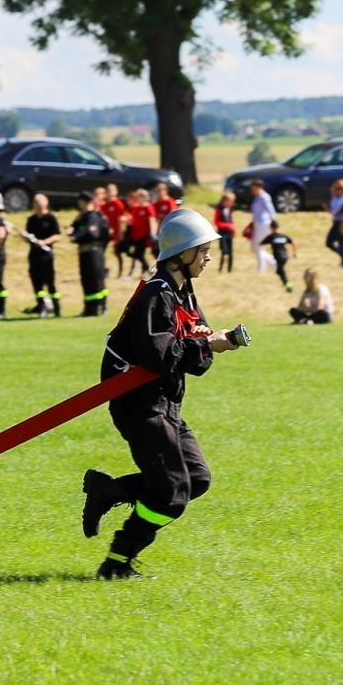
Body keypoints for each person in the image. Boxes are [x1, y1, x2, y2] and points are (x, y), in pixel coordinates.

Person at [80, 207, 241, 579]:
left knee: (196, 479)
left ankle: (111, 492)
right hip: (140, 406)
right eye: (202, 251)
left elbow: (196, 363)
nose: (208, 258)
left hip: (165, 404)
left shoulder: (184, 294)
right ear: (181, 254)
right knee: (172, 492)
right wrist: (207, 345)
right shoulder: (157, 295)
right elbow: (158, 356)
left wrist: (211, 344)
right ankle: (117, 562)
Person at [69, 191, 110, 316]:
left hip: (93, 252)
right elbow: (72, 229)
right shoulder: (83, 217)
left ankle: (99, 307)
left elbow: (92, 233)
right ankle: (89, 308)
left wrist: (76, 237)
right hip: (85, 253)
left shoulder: (93, 216)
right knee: (86, 280)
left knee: (95, 280)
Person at [22, 193, 63, 317]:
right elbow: (28, 236)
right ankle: (41, 306)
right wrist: (25, 237)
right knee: (37, 282)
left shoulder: (51, 218)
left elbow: (57, 235)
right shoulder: (31, 220)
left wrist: (45, 242)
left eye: (40, 205)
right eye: (36, 204)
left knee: (50, 282)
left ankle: (56, 308)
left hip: (46, 255)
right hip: (34, 255)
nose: (38, 207)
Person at [121, 189, 154, 277]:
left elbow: (151, 220)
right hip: (135, 235)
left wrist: (152, 233)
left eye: (139, 197)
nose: (137, 198)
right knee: (135, 254)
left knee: (139, 254)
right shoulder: (135, 208)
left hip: (144, 235)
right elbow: (132, 220)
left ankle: (148, 270)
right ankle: (145, 270)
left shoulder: (147, 207)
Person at [247, 179, 276, 273]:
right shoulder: (257, 197)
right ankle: (273, 262)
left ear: (259, 187)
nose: (252, 190)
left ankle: (261, 269)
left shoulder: (265, 197)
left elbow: (271, 211)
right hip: (258, 224)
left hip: (264, 224)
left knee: (258, 246)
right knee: (254, 247)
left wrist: (273, 225)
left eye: (254, 188)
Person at [262, 220, 296, 291]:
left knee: (280, 271)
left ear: (271, 228)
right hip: (285, 257)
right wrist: (294, 253)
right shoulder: (283, 236)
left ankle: (288, 285)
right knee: (279, 271)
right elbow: (292, 241)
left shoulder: (271, 237)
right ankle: (287, 286)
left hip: (278, 257)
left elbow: (261, 243)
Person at [102, 184, 128, 278]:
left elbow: (121, 219)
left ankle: (121, 272)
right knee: (101, 251)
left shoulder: (118, 204)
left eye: (112, 190)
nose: (110, 193)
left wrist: (120, 233)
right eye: (108, 191)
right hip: (107, 232)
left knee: (117, 252)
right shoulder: (104, 205)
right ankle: (103, 270)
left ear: (116, 192)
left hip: (117, 232)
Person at [326, 179, 343, 268]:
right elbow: (333, 210)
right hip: (336, 222)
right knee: (329, 242)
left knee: (341, 242)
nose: (337, 191)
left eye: (340, 189)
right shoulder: (334, 197)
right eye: (336, 189)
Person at [211, 191, 237, 273]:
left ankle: (230, 269)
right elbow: (217, 222)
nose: (232, 203)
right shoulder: (219, 210)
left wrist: (233, 229)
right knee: (224, 251)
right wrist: (227, 226)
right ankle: (221, 268)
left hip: (229, 233)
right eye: (231, 201)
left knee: (230, 252)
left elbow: (231, 220)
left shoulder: (229, 210)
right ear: (225, 200)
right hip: (222, 233)